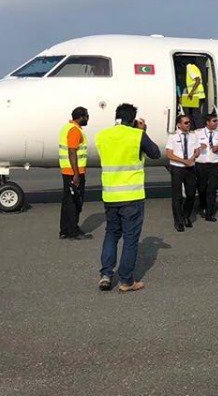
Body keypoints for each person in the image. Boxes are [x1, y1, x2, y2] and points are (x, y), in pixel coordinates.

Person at [96, 103, 162, 292]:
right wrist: (142, 132)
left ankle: (106, 275)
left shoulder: (102, 135)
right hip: (131, 196)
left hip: (109, 195)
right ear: (133, 119)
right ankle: (126, 281)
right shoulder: (137, 135)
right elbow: (156, 154)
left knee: (111, 234)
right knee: (130, 239)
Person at [58, 106, 91, 240]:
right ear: (81, 117)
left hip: (68, 171)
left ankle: (65, 230)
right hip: (74, 172)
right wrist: (76, 174)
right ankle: (72, 230)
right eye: (87, 116)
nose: (88, 119)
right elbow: (72, 152)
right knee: (75, 202)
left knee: (68, 201)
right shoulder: (74, 130)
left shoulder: (67, 127)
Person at [165, 113, 200, 231]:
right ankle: (179, 221)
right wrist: (183, 161)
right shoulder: (173, 137)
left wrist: (194, 156)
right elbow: (169, 154)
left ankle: (186, 215)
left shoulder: (193, 135)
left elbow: (197, 150)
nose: (188, 124)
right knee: (177, 196)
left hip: (190, 168)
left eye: (189, 122)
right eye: (186, 123)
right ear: (179, 125)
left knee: (191, 194)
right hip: (177, 168)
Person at [195, 112, 218, 222]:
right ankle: (202, 205)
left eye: (216, 121)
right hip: (201, 164)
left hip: (213, 164)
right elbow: (191, 145)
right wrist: (198, 146)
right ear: (207, 122)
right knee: (202, 187)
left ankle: (209, 213)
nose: (216, 123)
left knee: (212, 189)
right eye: (214, 121)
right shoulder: (198, 133)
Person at [179, 61, 206, 127]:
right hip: (195, 96)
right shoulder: (194, 67)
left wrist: (191, 93)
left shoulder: (190, 67)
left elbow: (198, 80)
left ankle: (199, 130)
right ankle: (193, 129)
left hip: (196, 96)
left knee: (196, 115)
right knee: (191, 113)